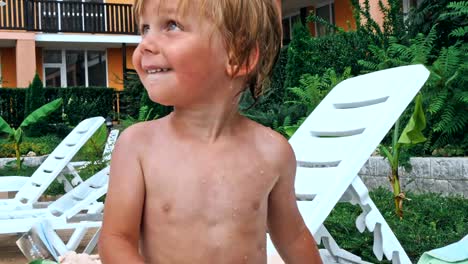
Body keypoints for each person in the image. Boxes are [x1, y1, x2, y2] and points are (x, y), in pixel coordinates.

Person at [98, 0, 322, 263]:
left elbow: (293, 237)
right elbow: (116, 239)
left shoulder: (272, 153)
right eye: (145, 29)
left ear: (238, 56)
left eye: (171, 25)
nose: (145, 44)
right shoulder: (138, 147)